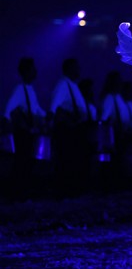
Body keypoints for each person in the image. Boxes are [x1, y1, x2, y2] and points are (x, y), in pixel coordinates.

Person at [2, 57, 48, 200]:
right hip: (22, 132)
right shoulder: (19, 89)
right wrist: (18, 125)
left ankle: (20, 192)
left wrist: (46, 116)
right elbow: (8, 110)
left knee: (27, 161)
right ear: (26, 71)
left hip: (29, 131)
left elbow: (35, 109)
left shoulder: (30, 89)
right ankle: (15, 193)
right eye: (32, 69)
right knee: (22, 161)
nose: (35, 72)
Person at [49, 58, 89, 197]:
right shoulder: (63, 84)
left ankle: (72, 189)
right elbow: (54, 105)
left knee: (74, 159)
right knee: (67, 159)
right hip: (68, 128)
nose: (79, 70)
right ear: (69, 68)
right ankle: (65, 190)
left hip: (75, 127)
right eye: (76, 67)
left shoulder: (72, 84)